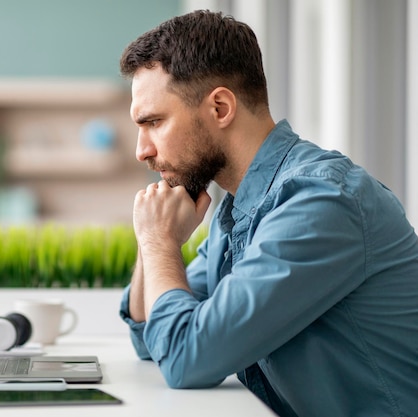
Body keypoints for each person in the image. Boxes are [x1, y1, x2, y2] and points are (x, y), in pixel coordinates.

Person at [118, 9, 418, 417]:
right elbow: (150, 337)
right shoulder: (238, 208)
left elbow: (186, 356)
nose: (142, 150)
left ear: (221, 108)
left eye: (154, 122)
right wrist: (152, 234)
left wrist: (158, 241)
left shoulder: (321, 202)